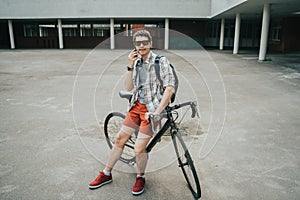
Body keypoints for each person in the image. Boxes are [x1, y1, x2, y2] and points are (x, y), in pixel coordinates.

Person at [89, 29, 176, 195]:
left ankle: (140, 176)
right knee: (120, 139)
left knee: (138, 149)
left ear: (150, 43)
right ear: (135, 45)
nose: (141, 45)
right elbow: (129, 87)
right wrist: (129, 66)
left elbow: (169, 88)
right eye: (138, 43)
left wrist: (158, 112)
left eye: (145, 42)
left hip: (151, 111)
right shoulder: (137, 62)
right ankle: (106, 173)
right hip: (136, 107)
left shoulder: (161, 61)